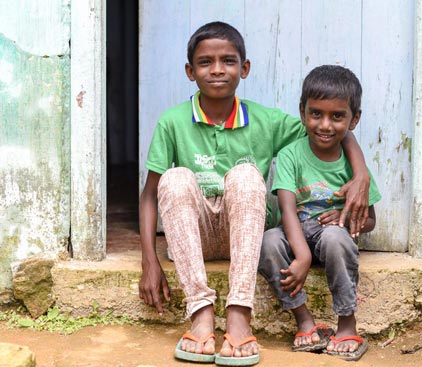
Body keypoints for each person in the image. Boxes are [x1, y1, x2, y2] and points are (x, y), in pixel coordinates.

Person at [138, 22, 371, 366]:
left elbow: (328, 128)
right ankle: (201, 315)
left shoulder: (266, 120)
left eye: (228, 61)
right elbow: (149, 196)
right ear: (190, 71)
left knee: (246, 176)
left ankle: (238, 314)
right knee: (173, 179)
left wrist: (361, 172)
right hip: (194, 237)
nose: (217, 70)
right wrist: (149, 260)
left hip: (246, 236)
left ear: (244, 69)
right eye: (205, 62)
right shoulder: (172, 121)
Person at [258, 65, 381, 362]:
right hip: (294, 233)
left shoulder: (353, 168)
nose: (325, 125)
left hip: (331, 236)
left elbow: (371, 220)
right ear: (303, 113)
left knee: (336, 238)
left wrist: (345, 217)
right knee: (267, 242)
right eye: (316, 114)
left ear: (354, 119)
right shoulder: (290, 155)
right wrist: (303, 256)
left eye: (337, 116)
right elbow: (286, 208)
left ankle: (347, 324)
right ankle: (304, 319)